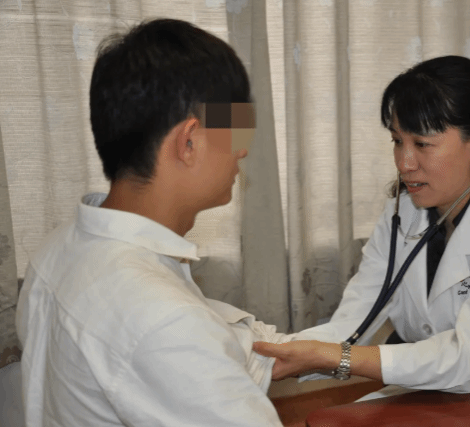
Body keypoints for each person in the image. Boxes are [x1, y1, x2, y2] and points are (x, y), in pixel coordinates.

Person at [254, 55, 470, 397]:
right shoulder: (403, 212)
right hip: (445, 388)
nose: (404, 163)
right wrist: (262, 354)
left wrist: (340, 358)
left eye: (422, 144)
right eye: (397, 141)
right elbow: (353, 321)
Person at [16, 19, 289, 426]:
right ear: (189, 141)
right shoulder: (163, 319)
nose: (242, 151)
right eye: (233, 128)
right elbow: (172, 337)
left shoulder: (59, 249)